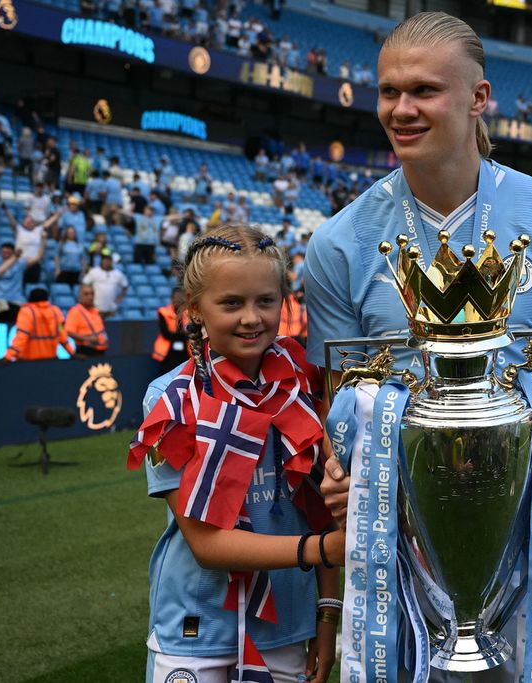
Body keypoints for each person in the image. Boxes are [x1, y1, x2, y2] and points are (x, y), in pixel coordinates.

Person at [306, 13, 532, 680]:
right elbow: (336, 410)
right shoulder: (339, 243)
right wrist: (335, 465)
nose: (401, 108)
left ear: (478, 98)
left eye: (424, 90)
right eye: (389, 91)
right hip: (397, 545)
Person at [127, 224, 340, 683]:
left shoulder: (304, 384)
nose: (251, 317)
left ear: (284, 303)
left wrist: (328, 612)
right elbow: (207, 545)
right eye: (230, 303)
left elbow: (321, 507)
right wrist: (325, 550)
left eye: (265, 300)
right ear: (194, 309)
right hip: (195, 627)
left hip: (286, 624)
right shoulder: (171, 400)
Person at [3, 287, 73, 362]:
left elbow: (21, 337)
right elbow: (62, 334)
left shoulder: (26, 312)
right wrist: (72, 353)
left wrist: (8, 356)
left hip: (28, 362)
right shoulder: (56, 311)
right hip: (51, 360)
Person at [151, 287, 189, 373]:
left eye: (180, 297)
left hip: (185, 351)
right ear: (172, 298)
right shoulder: (163, 312)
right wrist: (182, 336)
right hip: (168, 353)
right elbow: (165, 333)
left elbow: (191, 332)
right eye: (176, 297)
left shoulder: (188, 313)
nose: (178, 300)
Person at [65, 283, 108, 356]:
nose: (90, 297)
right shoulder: (75, 311)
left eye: (92, 294)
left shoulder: (95, 311)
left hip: (100, 350)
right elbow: (68, 332)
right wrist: (87, 339)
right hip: (86, 351)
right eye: (86, 294)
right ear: (80, 297)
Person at [82, 252, 129, 317]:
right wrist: (89, 299)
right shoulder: (94, 271)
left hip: (110, 308)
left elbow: (125, 287)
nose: (106, 262)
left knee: (111, 326)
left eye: (108, 260)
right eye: (104, 260)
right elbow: (85, 284)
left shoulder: (118, 274)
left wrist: (117, 301)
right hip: (95, 307)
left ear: (111, 261)